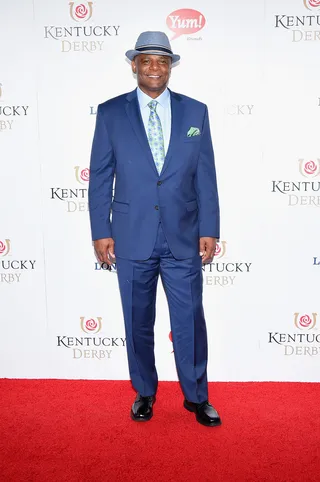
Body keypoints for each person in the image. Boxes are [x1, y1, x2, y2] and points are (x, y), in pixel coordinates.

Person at [89, 31, 221, 427]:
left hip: (184, 235)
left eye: (162, 61)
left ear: (170, 67)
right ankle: (144, 392)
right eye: (146, 60)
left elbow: (206, 175)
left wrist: (210, 227)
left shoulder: (195, 112)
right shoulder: (111, 112)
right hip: (131, 235)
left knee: (189, 320)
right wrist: (100, 230)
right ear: (134, 65)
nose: (154, 68)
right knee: (136, 319)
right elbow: (100, 176)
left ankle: (197, 397)